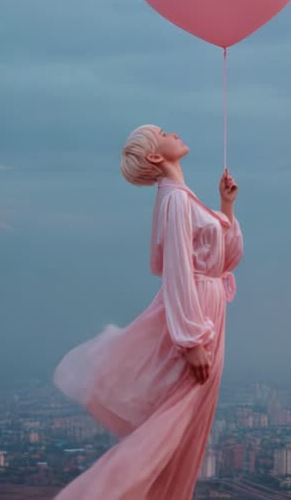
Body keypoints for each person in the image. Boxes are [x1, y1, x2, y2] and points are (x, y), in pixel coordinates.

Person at [52, 124, 242, 499]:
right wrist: (190, 340)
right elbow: (177, 272)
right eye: (163, 132)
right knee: (169, 430)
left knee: (186, 431)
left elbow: (225, 260)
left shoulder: (183, 198)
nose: (174, 132)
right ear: (156, 156)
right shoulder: (174, 200)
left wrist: (226, 207)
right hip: (199, 320)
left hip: (209, 315)